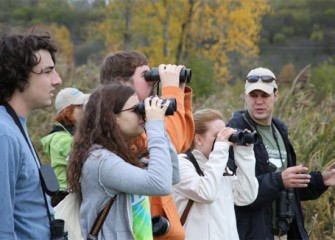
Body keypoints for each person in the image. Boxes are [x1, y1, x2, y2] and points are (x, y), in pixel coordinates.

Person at [227, 67, 335, 240]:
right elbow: (237, 192)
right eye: (253, 96)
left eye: (265, 96)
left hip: (285, 233)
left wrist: (320, 180)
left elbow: (288, 184)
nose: (259, 101)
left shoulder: (280, 129)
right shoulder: (235, 132)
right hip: (252, 234)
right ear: (245, 97)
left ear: (276, 96)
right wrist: (279, 180)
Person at [100, 50, 194, 239]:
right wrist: (171, 90)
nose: (153, 80)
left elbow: (182, 144)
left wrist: (178, 89)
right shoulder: (120, 127)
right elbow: (172, 143)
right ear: (122, 83)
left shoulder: (138, 120)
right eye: (146, 76)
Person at [66, 84, 179, 239]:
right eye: (136, 109)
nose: (142, 114)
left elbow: (172, 176)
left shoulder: (120, 155)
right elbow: (160, 184)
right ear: (112, 117)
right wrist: (155, 126)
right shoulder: (101, 162)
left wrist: (160, 127)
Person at [0, 28, 62, 239]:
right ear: (18, 76)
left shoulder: (14, 126)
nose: (57, 80)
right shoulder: (4, 134)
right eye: (47, 71)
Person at [172, 108, 258, 240]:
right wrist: (220, 149)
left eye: (224, 135)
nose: (223, 141)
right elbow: (206, 193)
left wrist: (244, 154)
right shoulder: (181, 164)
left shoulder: (220, 167)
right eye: (217, 136)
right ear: (198, 139)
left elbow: (246, 197)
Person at [41, 87, 90, 207]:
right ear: (67, 111)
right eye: (80, 106)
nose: (85, 110)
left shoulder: (73, 132)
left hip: (74, 193)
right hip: (64, 196)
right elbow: (81, 151)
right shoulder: (58, 138)